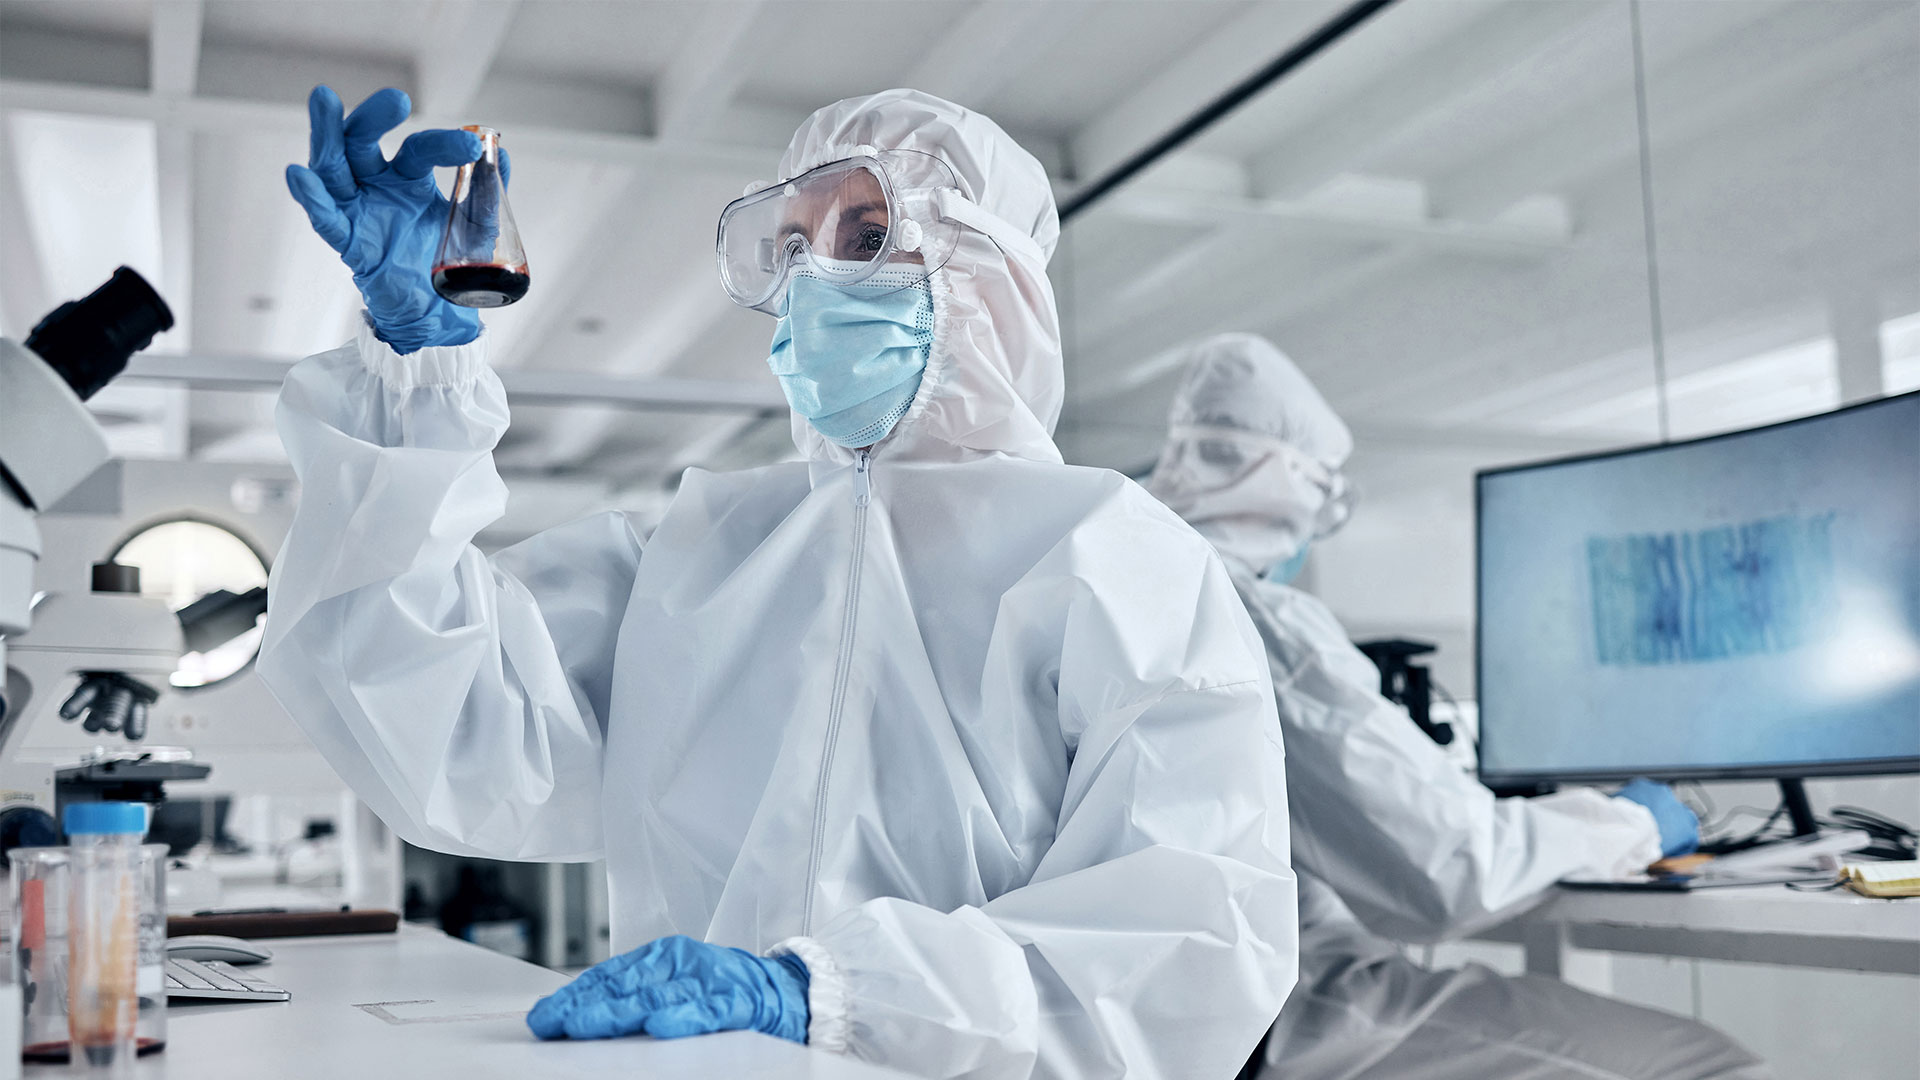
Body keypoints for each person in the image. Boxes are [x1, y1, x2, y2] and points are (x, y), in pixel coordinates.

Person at [260, 87, 1297, 1079]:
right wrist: (417, 362)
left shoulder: (1115, 560)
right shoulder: (701, 556)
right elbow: (447, 722)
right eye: (792, 244)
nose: (812, 278)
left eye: (862, 234)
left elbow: (1190, 938)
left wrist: (828, 996)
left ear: (991, 277)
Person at [1144, 333, 1771, 1080]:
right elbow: (1452, 870)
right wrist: (1632, 820)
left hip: (1177, 1020)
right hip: (1291, 1019)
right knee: (1711, 1065)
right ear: (1290, 482)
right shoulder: (1259, 618)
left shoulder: (1137, 581)